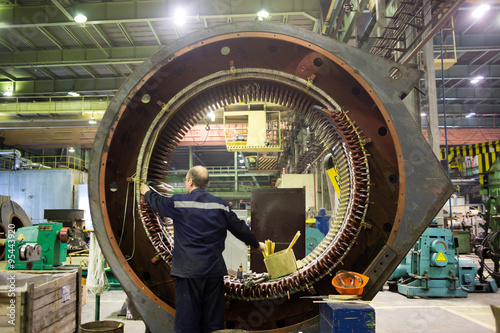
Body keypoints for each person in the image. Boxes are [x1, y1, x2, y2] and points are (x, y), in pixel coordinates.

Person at [140, 165, 265, 333]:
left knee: (187, 324)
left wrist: (146, 191)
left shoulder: (180, 202)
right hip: (213, 273)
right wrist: (257, 244)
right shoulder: (220, 205)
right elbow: (239, 228)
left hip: (189, 274)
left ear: (190, 181)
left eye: (185, 179)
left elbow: (159, 203)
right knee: (213, 324)